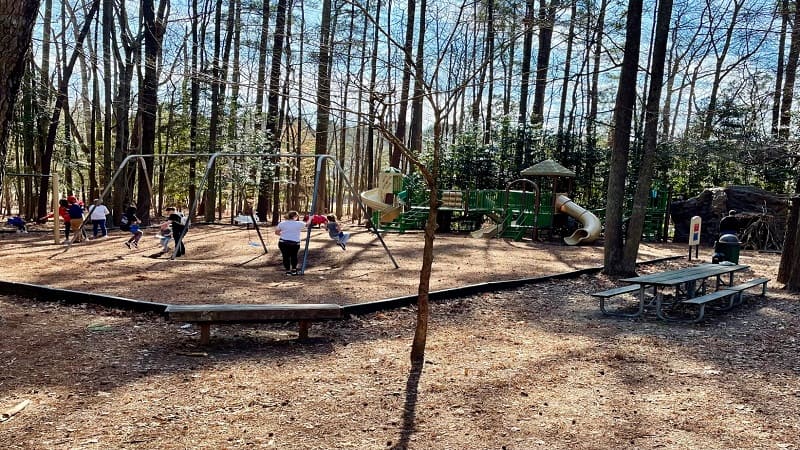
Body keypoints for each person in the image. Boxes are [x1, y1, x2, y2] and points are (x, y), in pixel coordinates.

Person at [275, 210, 306, 275]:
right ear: (295, 216)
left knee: (285, 256)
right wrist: (311, 218)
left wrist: (284, 234)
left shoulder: (282, 223)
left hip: (283, 242)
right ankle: (294, 270)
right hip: (295, 243)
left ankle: (288, 271)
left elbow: (276, 232)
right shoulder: (299, 223)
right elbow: (308, 224)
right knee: (294, 256)